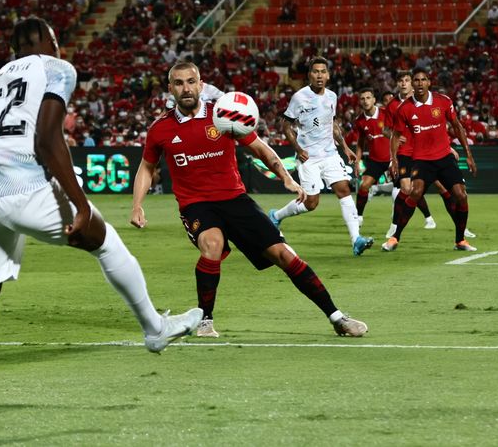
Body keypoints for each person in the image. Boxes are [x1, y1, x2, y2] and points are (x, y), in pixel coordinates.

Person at [0, 18, 202, 431]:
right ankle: (155, 329)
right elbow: (47, 138)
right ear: (50, 41)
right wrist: (79, 204)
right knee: (105, 243)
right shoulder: (56, 68)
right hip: (26, 185)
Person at [131, 61, 367, 339]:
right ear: (170, 88)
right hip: (196, 204)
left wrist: (286, 177)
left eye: (191, 82)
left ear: (200, 84)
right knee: (213, 244)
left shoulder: (224, 114)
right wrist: (137, 205)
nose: (186, 88)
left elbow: (260, 148)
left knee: (284, 255)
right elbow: (147, 167)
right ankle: (205, 320)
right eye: (179, 83)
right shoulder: (160, 129)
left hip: (235, 199)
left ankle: (337, 317)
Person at [268, 57, 374, 256]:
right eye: (315, 71)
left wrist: (344, 147)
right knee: (311, 203)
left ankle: (356, 240)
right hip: (309, 158)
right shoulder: (300, 97)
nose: (319, 75)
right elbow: (286, 125)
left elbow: (332, 123)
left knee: (343, 189)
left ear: (328, 75)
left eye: (323, 71)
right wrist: (298, 149)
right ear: (309, 75)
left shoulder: (332, 96)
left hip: (330, 153)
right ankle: (277, 215)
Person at [382, 68, 477, 252]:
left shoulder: (443, 101)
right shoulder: (404, 108)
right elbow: (395, 135)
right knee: (414, 192)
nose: (419, 83)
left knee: (460, 195)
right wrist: (394, 160)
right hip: (421, 159)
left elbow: (457, 126)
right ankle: (395, 237)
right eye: (416, 80)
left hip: (444, 157)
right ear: (413, 84)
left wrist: (469, 154)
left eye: (423, 79)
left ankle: (460, 240)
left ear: (429, 82)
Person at [353, 88, 391, 225]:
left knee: (405, 187)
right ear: (360, 102)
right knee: (364, 186)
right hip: (375, 160)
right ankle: (359, 217)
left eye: (368, 98)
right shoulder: (360, 121)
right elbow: (360, 143)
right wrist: (357, 161)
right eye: (362, 98)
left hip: (393, 158)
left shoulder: (387, 114)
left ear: (374, 100)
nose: (365, 101)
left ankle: (427, 218)